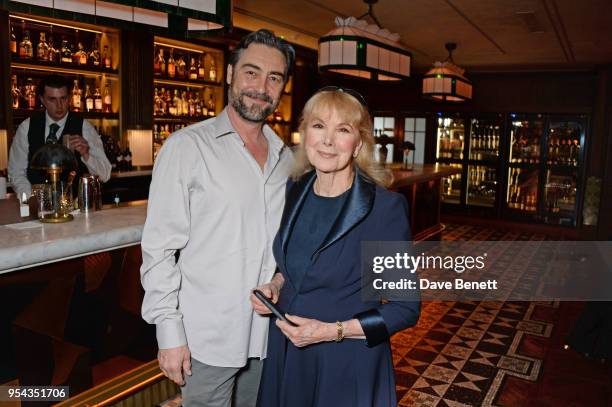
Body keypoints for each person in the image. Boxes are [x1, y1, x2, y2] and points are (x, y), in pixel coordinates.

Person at [140, 29, 295, 407]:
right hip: (206, 338)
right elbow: (159, 250)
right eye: (251, 72)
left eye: (274, 78)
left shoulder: (287, 159)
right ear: (229, 75)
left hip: (266, 336)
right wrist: (169, 333)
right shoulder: (186, 148)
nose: (261, 87)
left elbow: (286, 248)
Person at [253, 88, 421, 406]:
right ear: (305, 133)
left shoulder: (383, 209)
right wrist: (276, 284)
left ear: (358, 143)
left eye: (342, 129)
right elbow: (295, 263)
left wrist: (331, 331)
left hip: (344, 359)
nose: (327, 140)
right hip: (288, 350)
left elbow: (405, 308)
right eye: (319, 126)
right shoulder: (296, 188)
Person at [8, 74, 111, 198]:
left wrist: (86, 155)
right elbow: (16, 172)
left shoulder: (84, 127)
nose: (59, 105)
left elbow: (105, 175)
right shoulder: (27, 127)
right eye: (52, 99)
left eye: (63, 98)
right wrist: (32, 200)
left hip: (75, 211)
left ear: (70, 98)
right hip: (36, 208)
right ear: (42, 99)